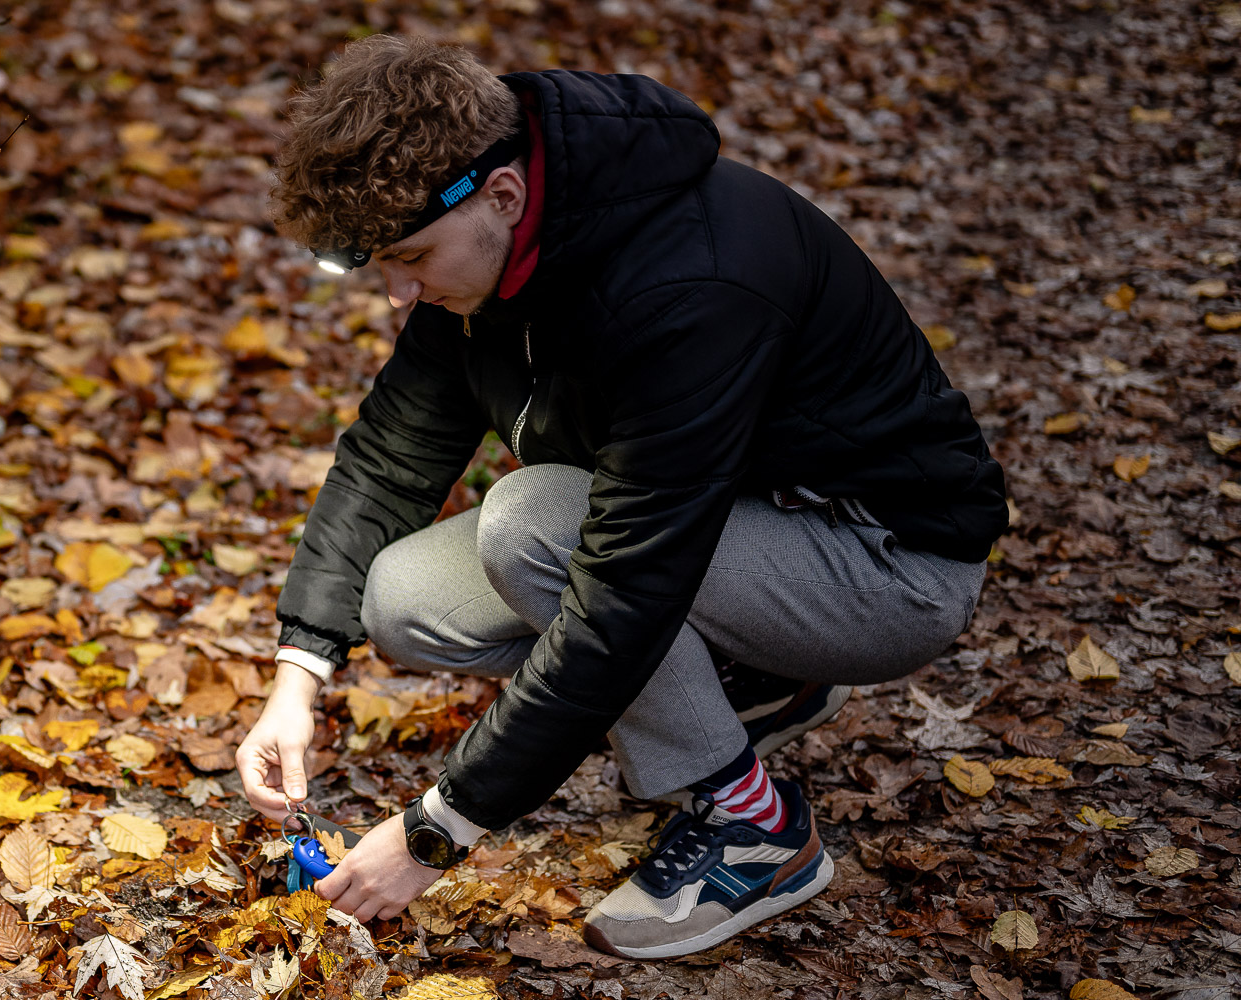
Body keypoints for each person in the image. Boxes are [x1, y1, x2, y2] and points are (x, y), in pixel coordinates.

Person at [234, 34, 1006, 960]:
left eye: (409, 255)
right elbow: (392, 457)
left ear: (503, 195)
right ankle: (754, 681)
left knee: (532, 525)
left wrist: (435, 833)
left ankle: (754, 828)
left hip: (884, 564)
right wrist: (297, 676)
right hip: (722, 533)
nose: (397, 293)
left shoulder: (690, 282)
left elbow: (625, 592)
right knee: (402, 600)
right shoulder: (483, 262)